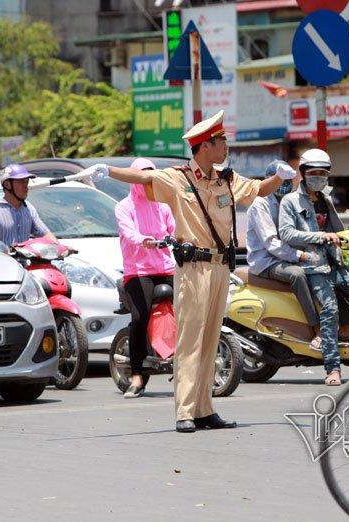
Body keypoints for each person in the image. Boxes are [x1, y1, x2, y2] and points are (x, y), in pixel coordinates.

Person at [82, 110, 297, 433]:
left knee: (211, 338)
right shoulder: (178, 178)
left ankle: (204, 409)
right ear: (205, 145)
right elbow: (144, 178)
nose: (226, 146)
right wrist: (108, 171)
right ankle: (184, 410)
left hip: (221, 267)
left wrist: (280, 177)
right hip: (193, 267)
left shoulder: (226, 179)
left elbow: (259, 190)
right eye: (221, 141)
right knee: (190, 340)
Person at [279, 148, 349, 386]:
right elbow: (286, 233)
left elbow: (338, 230)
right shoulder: (290, 201)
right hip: (313, 266)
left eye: (323, 173)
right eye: (313, 173)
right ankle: (333, 368)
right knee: (330, 311)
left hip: (335, 262)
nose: (318, 177)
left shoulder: (326, 199)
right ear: (303, 174)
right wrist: (320, 236)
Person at [114, 158, 176, 399]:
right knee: (139, 318)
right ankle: (137, 375)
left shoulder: (163, 205)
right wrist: (143, 240)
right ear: (134, 179)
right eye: (143, 176)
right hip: (138, 270)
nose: (148, 181)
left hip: (166, 266)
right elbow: (128, 232)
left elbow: (175, 229)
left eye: (152, 176)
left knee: (191, 307)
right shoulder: (124, 206)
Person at [246, 160, 320, 344]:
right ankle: (317, 329)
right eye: (281, 181)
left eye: (288, 182)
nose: (285, 186)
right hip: (266, 261)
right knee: (298, 275)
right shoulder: (260, 204)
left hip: (286, 256)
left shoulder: (290, 201)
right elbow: (271, 243)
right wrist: (299, 256)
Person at [0, 164, 56, 245]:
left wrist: (60, 247)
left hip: (26, 257)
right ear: (7, 185)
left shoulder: (29, 208)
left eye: (26, 181)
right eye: (21, 181)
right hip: (1, 257)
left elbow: (45, 234)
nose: (26, 186)